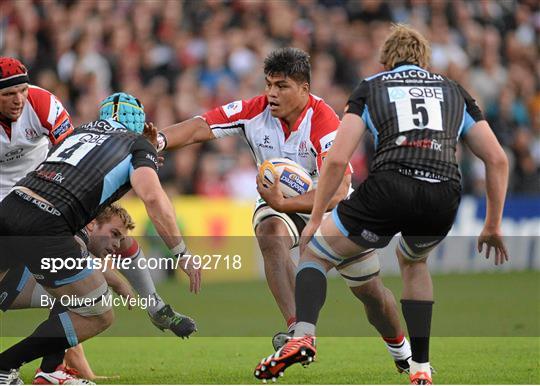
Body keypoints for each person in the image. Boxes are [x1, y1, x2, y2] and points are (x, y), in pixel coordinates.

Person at [253, 25, 509, 385]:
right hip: (443, 190)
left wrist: (314, 218)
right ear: (424, 59)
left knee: (315, 253)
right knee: (414, 261)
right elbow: (496, 159)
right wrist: (493, 223)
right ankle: (420, 369)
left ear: (386, 59)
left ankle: (302, 336)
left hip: (390, 185)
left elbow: (339, 159)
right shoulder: (455, 91)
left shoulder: (372, 87)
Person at [159, 47, 413, 372]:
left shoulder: (324, 121)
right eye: (268, 84)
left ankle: (402, 353)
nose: (271, 93)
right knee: (270, 232)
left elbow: (337, 190)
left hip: (332, 207)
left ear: (304, 89)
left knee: (371, 293)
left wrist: (283, 202)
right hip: (283, 208)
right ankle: (298, 332)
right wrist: (158, 143)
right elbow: (199, 126)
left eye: (281, 86)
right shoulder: (255, 110)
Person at [0, 92, 200, 384]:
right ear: (140, 124)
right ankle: (7, 366)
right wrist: (181, 252)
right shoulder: (136, 145)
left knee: (70, 293)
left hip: (11, 205)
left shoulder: (78, 131)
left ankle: (50, 371)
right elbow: (153, 197)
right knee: (99, 311)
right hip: (47, 222)